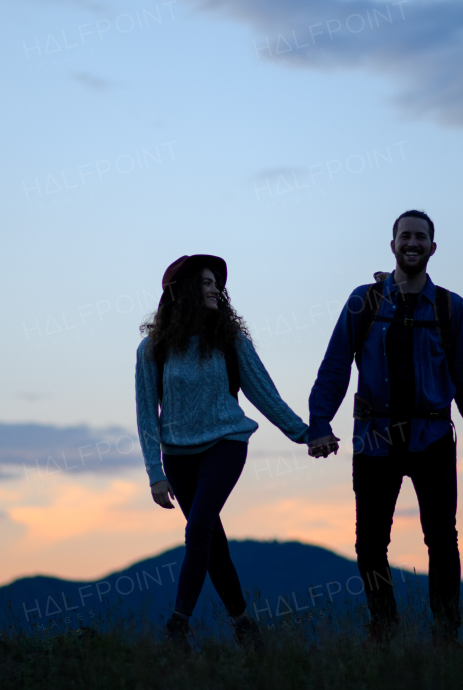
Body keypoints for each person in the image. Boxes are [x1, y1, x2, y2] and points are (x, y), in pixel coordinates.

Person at [306, 210, 463, 643]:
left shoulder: (450, 307)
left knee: (442, 541)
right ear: (392, 245)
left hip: (433, 440)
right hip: (376, 441)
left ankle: (447, 634)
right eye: (405, 236)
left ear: (432, 247)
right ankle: (384, 626)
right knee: (369, 546)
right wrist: (318, 422)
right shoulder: (363, 302)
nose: (412, 243)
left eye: (420, 237)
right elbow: (335, 368)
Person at [136, 254, 309, 650]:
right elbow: (146, 415)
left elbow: (264, 393)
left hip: (226, 444)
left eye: (217, 283)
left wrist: (304, 433)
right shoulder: (152, 350)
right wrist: (154, 473)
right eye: (206, 283)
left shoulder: (231, 341)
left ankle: (178, 625)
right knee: (211, 539)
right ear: (182, 294)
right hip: (177, 457)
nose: (216, 289)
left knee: (198, 529)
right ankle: (244, 624)